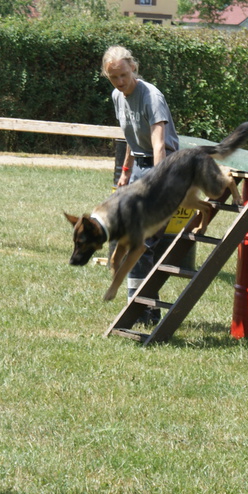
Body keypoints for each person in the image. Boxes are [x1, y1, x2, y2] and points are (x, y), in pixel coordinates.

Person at [101, 45, 179, 324]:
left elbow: (159, 144)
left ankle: (141, 311)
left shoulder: (151, 97)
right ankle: (145, 309)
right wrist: (126, 171)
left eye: (124, 74)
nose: (120, 82)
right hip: (138, 169)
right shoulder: (117, 96)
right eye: (114, 77)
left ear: (133, 67)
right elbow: (132, 136)